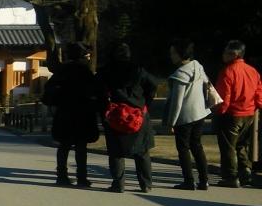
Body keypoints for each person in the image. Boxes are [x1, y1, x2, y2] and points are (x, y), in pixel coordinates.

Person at [98, 43, 160, 193]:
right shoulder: (138, 70)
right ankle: (146, 184)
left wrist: (103, 108)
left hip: (115, 114)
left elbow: (97, 90)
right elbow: (153, 84)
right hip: (138, 112)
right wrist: (146, 101)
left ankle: (118, 184)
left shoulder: (106, 71)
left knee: (116, 152)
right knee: (142, 151)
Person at [42, 43, 103, 187]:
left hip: (65, 111)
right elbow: (96, 90)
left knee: (64, 146)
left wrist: (57, 100)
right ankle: (82, 177)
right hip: (83, 113)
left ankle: (61, 175)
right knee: (81, 147)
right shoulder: (85, 71)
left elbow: (49, 88)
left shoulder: (62, 70)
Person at [212, 39, 262, 188]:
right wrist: (257, 107)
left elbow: (224, 96)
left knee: (228, 146)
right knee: (242, 144)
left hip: (232, 114)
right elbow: (259, 92)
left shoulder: (227, 71)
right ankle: (245, 171)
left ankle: (230, 176)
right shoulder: (252, 71)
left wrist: (219, 112)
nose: (223, 55)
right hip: (249, 113)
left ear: (234, 54)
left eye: (226, 52)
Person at [164, 39, 213, 190]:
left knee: (183, 148)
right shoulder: (197, 66)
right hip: (200, 113)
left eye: (173, 53)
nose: (171, 56)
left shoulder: (179, 74)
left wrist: (171, 123)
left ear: (180, 54)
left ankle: (189, 181)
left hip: (185, 117)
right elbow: (206, 83)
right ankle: (204, 180)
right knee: (197, 146)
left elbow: (177, 103)